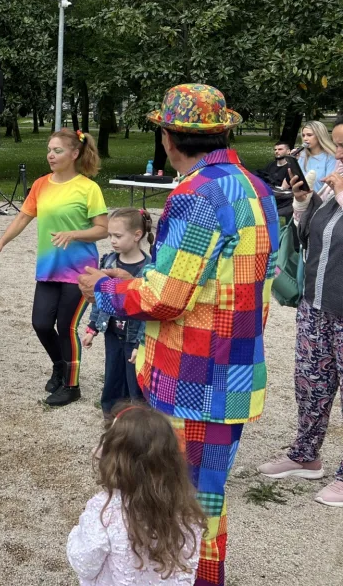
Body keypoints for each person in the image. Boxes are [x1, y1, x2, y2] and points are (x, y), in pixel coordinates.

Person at [77, 84, 278, 586]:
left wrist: (104, 289)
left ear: (168, 138)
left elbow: (166, 298)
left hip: (193, 376)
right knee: (206, 497)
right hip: (234, 369)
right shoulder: (256, 187)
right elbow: (239, 279)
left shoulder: (195, 195)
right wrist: (141, 280)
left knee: (186, 504)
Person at [0, 129, 108, 407]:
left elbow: (103, 229)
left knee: (66, 327)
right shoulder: (41, 184)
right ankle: (60, 366)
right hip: (49, 269)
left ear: (74, 153)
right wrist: (1, 242)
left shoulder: (88, 188)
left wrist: (74, 234)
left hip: (80, 272)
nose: (51, 155)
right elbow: (23, 218)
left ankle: (72, 386)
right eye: (49, 150)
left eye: (57, 150)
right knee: (41, 323)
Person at [257, 118, 343, 507]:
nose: (338, 154)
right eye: (337, 146)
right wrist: (304, 202)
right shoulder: (335, 183)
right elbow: (309, 233)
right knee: (311, 384)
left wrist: (339, 194)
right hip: (315, 304)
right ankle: (306, 455)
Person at [66, 405, 204, 586]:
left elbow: (85, 564)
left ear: (115, 462)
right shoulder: (187, 510)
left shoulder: (106, 510)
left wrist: (76, 535)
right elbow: (188, 567)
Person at [81, 209, 153, 420]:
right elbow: (100, 298)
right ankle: (111, 417)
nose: (112, 240)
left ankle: (139, 423)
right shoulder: (108, 261)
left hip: (134, 336)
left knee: (135, 381)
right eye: (110, 235)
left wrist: (141, 343)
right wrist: (92, 328)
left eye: (118, 236)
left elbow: (148, 309)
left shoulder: (149, 269)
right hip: (112, 332)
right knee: (112, 374)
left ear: (137, 235)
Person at [257, 140, 295, 219]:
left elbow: (284, 188)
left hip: (284, 199)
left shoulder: (291, 167)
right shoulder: (271, 165)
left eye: (280, 149)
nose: (277, 151)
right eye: (275, 149)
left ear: (288, 151)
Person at [297, 121, 336, 194]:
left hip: (320, 198)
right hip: (301, 197)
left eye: (309, 135)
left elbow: (328, 186)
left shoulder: (331, 157)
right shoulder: (303, 156)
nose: (305, 138)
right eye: (303, 135)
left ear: (319, 135)